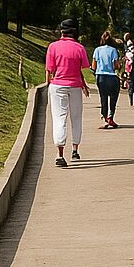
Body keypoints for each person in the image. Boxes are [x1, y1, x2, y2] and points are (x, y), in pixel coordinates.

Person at [45, 18, 92, 167]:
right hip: (75, 86)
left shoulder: (53, 47)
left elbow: (49, 70)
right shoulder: (79, 48)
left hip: (57, 86)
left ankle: (59, 154)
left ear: (61, 31)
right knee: (76, 117)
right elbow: (80, 68)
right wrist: (83, 85)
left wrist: (48, 85)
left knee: (59, 118)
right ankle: (75, 149)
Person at [93, 32, 122, 129]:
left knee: (103, 97)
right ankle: (110, 116)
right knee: (113, 97)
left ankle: (105, 118)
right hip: (111, 76)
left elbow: (94, 66)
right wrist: (119, 66)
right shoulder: (113, 50)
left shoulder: (97, 50)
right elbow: (116, 65)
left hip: (100, 76)